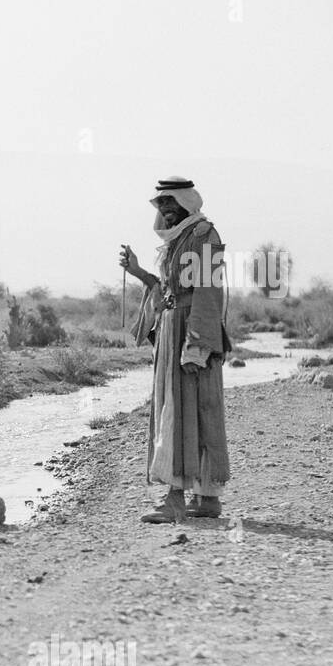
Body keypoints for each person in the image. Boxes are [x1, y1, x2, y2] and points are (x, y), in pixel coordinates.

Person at [118, 177, 232, 522]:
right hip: (171, 330)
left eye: (170, 202)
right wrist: (137, 271)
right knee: (187, 409)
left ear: (186, 202)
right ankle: (206, 499)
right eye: (160, 204)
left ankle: (175, 499)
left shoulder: (202, 236)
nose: (164, 209)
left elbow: (208, 291)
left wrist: (197, 344)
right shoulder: (176, 240)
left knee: (183, 411)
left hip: (191, 335)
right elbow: (167, 290)